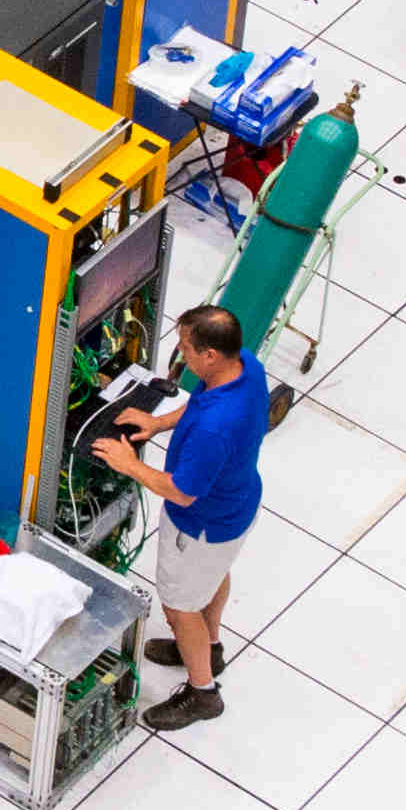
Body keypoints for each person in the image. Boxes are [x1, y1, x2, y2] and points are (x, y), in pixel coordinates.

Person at [94, 303, 275, 730]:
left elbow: (181, 492)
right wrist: (158, 424)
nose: (181, 356)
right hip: (237, 508)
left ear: (210, 354)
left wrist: (128, 464)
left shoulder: (216, 428)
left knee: (179, 607)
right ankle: (207, 647)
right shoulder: (245, 368)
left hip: (200, 526)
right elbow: (199, 404)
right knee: (211, 577)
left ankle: (202, 692)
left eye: (186, 349)